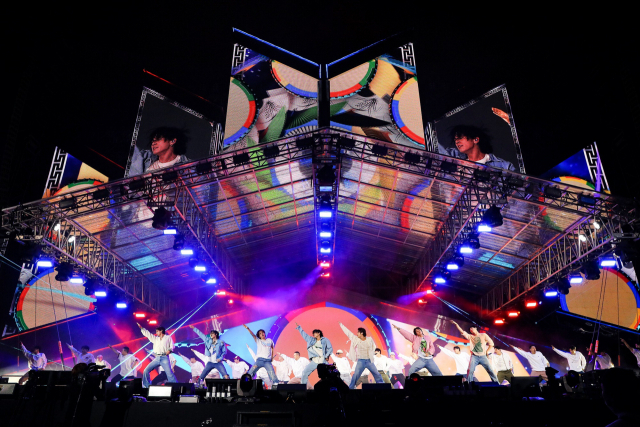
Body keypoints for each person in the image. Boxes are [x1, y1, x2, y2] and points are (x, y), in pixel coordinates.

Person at [437, 124, 515, 171]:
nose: (457, 141)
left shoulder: (504, 166)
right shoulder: (454, 157)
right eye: (455, 139)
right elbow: (435, 147)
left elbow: (518, 190)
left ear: (476, 139)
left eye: (460, 138)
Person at [339, 322, 384, 389]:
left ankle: (382, 386)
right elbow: (348, 333)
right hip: (361, 361)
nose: (357, 334)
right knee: (356, 375)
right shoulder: (356, 339)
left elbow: (373, 347)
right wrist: (341, 325)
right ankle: (351, 388)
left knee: (376, 373)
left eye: (358, 332)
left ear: (362, 333)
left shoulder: (369, 339)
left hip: (369, 360)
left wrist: (372, 354)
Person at [138, 323, 177, 387]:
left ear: (161, 331)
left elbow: (172, 346)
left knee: (169, 374)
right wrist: (142, 328)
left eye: (157, 331)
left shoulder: (168, 337)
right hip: (157, 357)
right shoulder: (156, 339)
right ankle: (147, 386)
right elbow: (149, 335)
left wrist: (169, 350)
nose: (156, 333)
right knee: (146, 370)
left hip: (164, 357)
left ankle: (175, 387)